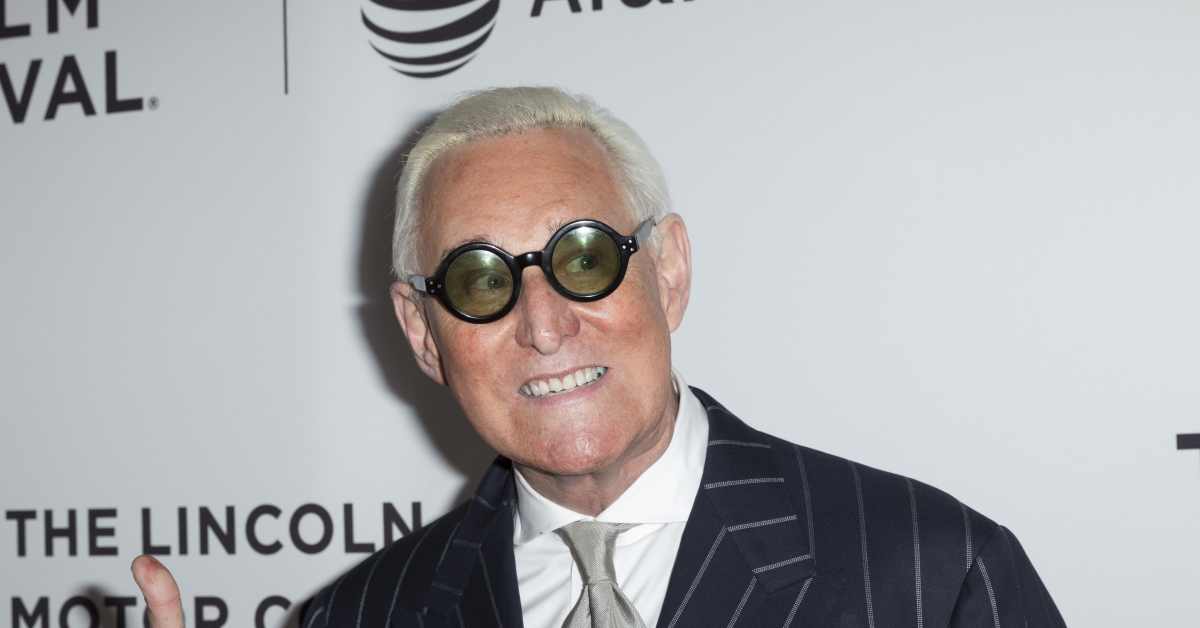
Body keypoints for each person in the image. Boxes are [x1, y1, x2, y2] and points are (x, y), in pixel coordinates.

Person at [132, 87, 1066, 627]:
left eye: (584, 260)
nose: (543, 326)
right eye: (481, 281)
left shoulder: (932, 574)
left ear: (669, 270)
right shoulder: (359, 617)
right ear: (422, 334)